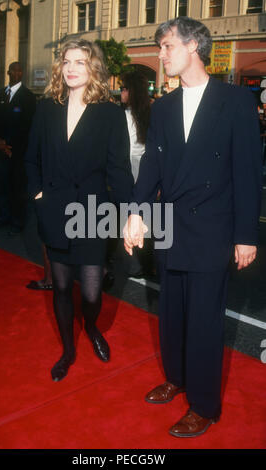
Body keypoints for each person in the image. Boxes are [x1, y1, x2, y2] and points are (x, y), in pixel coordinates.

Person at [124, 17, 262, 438]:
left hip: (214, 228)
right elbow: (153, 167)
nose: (161, 54)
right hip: (172, 225)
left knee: (204, 320)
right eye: (160, 47)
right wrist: (136, 213)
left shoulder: (235, 101)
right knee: (171, 312)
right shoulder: (163, 107)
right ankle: (177, 377)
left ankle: (203, 404)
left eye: (166, 46)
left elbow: (247, 172)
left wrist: (245, 235)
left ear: (193, 47)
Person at [25, 39, 133, 382]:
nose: (71, 68)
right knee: (59, 288)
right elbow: (31, 159)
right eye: (67, 61)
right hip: (54, 209)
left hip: (93, 213)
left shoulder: (110, 114)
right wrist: (39, 196)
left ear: (94, 68)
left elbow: (119, 171)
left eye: (80, 62)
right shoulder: (47, 108)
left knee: (90, 291)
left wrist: (130, 214)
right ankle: (68, 350)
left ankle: (91, 326)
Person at [0, 62, 36, 235]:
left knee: (17, 187)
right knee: (2, 186)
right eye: (13, 70)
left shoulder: (29, 97)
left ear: (22, 73)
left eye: (19, 70)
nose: (16, 73)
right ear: (8, 72)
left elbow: (27, 125)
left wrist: (10, 145)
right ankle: (3, 217)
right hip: (1, 150)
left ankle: (17, 222)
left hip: (18, 152)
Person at [120, 71, 152, 277]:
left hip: (133, 169)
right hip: (144, 170)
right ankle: (148, 262)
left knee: (136, 215)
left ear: (132, 92)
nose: (120, 92)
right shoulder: (150, 112)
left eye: (123, 89)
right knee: (144, 216)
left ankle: (145, 261)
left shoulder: (124, 115)